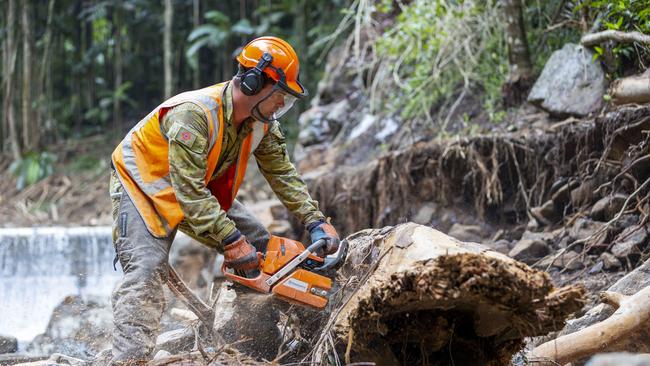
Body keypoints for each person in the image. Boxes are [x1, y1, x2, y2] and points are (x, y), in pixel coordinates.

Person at [108, 36, 339, 364]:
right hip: (144, 186)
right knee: (145, 270)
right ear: (254, 82)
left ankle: (255, 345)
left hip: (197, 187)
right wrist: (232, 242)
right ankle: (129, 360)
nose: (279, 107)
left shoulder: (262, 124)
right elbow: (189, 195)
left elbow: (282, 174)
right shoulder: (194, 114)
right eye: (279, 98)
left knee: (261, 248)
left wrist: (315, 221)